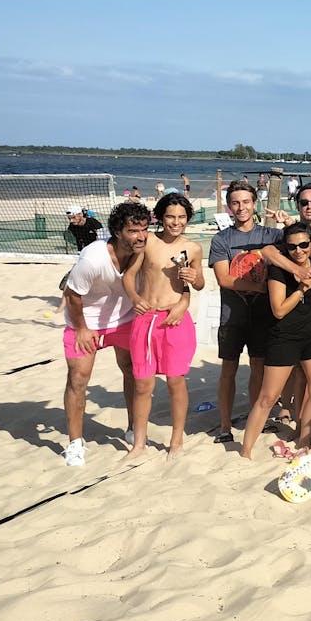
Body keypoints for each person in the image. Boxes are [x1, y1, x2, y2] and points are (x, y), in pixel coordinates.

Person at [60, 202, 149, 466]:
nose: (141, 236)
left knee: (131, 371)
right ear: (117, 232)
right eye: (133, 231)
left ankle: (133, 427)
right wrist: (82, 329)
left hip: (124, 320)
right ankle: (75, 443)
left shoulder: (144, 248)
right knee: (78, 379)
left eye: (144, 229)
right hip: (86, 322)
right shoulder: (93, 259)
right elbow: (72, 295)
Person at [239, 223, 311, 458]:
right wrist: (301, 289)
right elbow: (279, 310)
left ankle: (304, 439)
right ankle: (245, 450)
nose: (299, 250)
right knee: (268, 397)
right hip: (283, 337)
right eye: (292, 247)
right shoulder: (278, 271)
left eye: (303, 245)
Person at [122, 193, 205, 460]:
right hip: (146, 318)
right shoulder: (148, 242)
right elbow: (130, 275)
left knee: (175, 382)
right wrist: (135, 299)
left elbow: (199, 283)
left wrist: (193, 279)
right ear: (160, 217)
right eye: (170, 216)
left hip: (175, 320)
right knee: (143, 384)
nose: (176, 222)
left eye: (181, 217)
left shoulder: (192, 248)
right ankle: (139, 443)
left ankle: (177, 441)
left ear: (188, 219)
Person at [208, 181, 285, 444]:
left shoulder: (272, 235)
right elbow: (224, 279)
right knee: (228, 369)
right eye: (236, 203)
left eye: (246, 202)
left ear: (255, 204)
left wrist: (287, 222)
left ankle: (256, 418)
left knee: (258, 367)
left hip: (263, 315)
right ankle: (225, 425)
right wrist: (261, 287)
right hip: (233, 315)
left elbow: (303, 245)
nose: (241, 207)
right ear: (229, 207)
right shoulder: (222, 239)